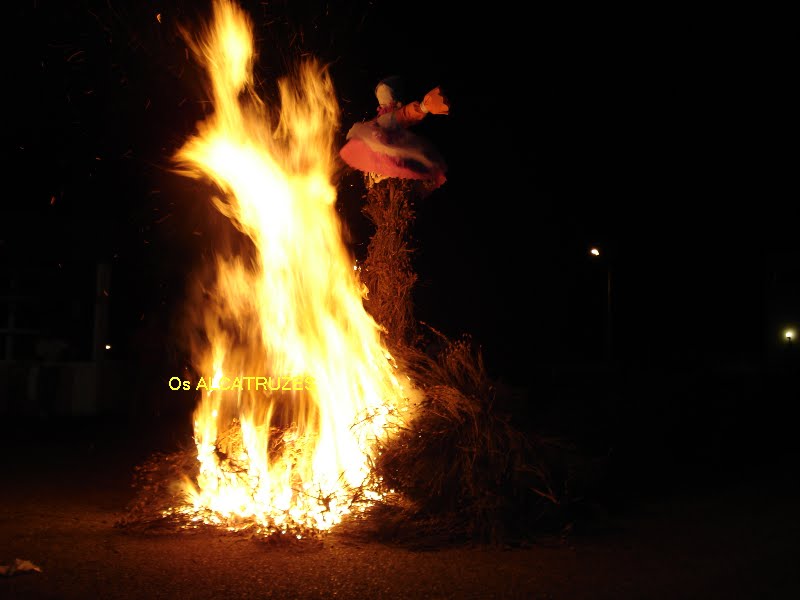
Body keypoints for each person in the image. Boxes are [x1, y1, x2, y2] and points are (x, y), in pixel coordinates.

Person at [339, 76, 450, 189]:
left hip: (394, 159)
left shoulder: (390, 118)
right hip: (386, 161)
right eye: (380, 97)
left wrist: (422, 108)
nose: (382, 101)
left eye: (384, 96)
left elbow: (405, 115)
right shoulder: (381, 119)